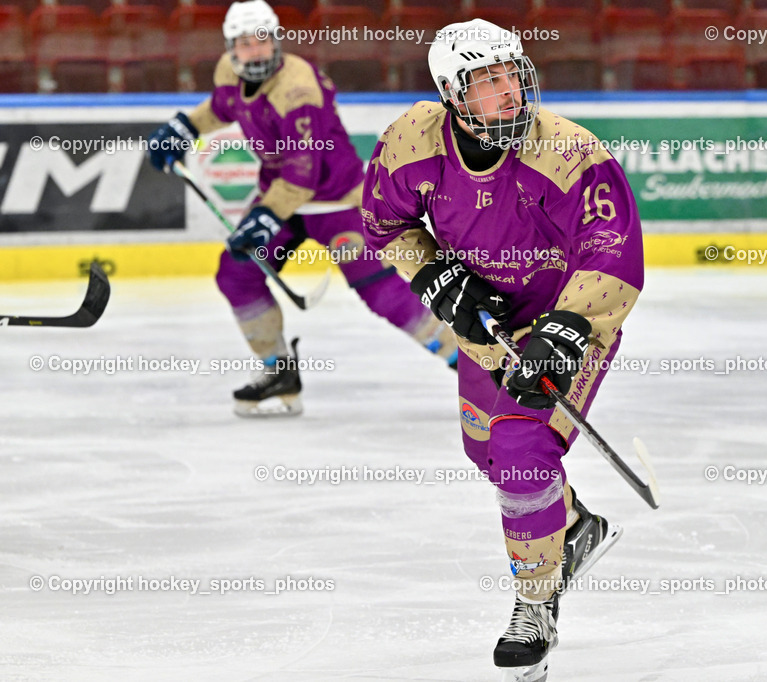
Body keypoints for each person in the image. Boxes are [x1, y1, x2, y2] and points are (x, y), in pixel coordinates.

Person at [361, 18, 645, 678]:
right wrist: (433, 272)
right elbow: (384, 222)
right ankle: (573, 528)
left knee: (521, 450)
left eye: (512, 78)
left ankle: (535, 605)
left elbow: (613, 251)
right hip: (485, 330)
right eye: (487, 86)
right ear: (451, 96)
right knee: (486, 450)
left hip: (564, 326)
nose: (509, 97)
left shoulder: (570, 154)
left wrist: (568, 328)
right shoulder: (413, 142)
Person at [145, 0, 457, 417]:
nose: (253, 51)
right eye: (243, 44)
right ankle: (278, 371)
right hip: (283, 201)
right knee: (237, 273)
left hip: (337, 202)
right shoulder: (227, 71)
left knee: (382, 292)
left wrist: (265, 216)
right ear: (229, 48)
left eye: (262, 41)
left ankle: (473, 365)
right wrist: (186, 126)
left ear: (275, 41)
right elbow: (224, 107)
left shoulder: (298, 89)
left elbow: (303, 171)